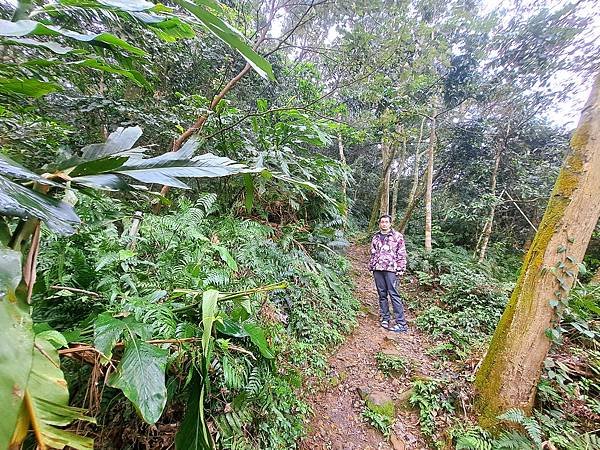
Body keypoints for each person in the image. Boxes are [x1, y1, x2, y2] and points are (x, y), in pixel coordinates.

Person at [368, 214, 408, 333]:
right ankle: (385, 318)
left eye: (386, 222)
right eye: (382, 222)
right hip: (378, 269)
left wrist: (401, 269)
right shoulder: (375, 237)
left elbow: (401, 254)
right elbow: (373, 252)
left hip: (391, 269)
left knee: (394, 294)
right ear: (379, 223)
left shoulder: (397, 236)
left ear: (390, 224)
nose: (384, 224)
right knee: (382, 294)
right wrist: (372, 265)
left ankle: (401, 323)